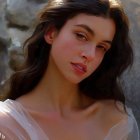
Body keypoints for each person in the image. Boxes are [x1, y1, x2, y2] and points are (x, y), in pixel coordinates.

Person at [0, 0, 139, 139]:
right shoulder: (7, 124)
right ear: (51, 33)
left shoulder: (115, 120)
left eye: (101, 47)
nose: (90, 55)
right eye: (81, 36)